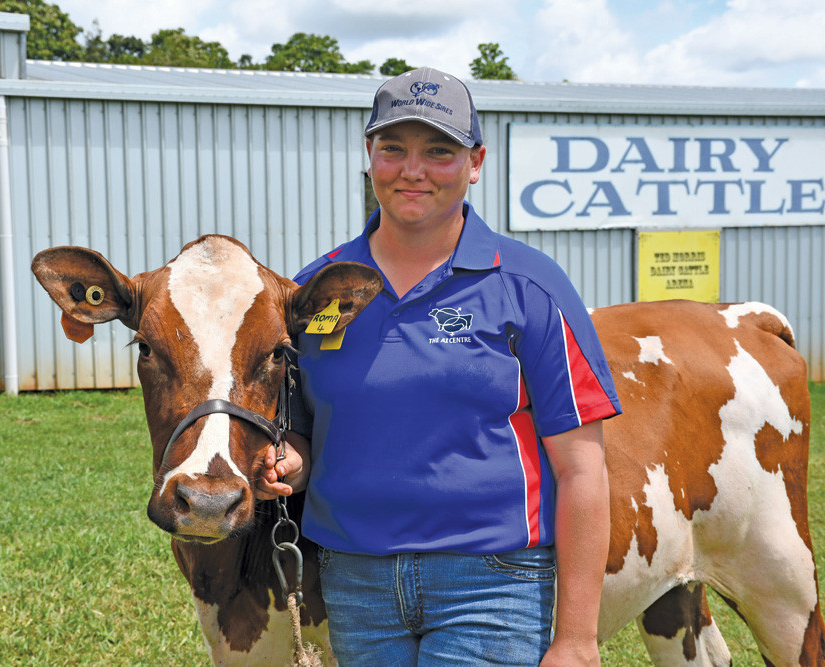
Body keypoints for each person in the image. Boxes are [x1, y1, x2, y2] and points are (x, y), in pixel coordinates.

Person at [257, 67, 621, 667]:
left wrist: (577, 641)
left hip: (493, 582)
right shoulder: (313, 289)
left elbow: (583, 469)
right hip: (356, 581)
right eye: (393, 148)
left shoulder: (529, 285)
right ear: (369, 154)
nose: (413, 169)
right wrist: (289, 460)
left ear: (475, 162)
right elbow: (298, 429)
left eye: (439, 151)